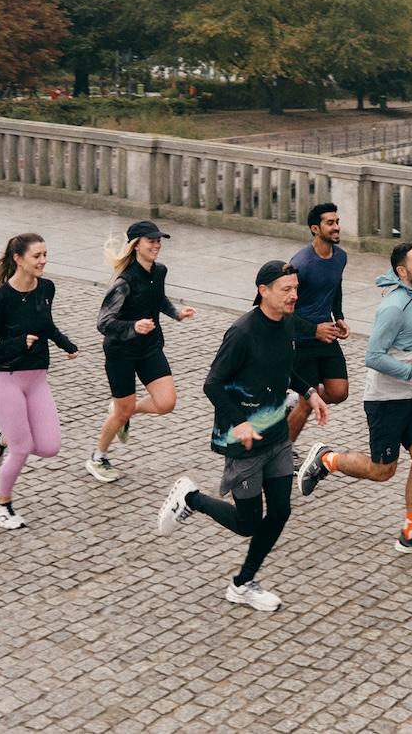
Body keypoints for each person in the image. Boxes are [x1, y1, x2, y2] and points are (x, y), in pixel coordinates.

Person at [156, 261, 328, 611]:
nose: (294, 295)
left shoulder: (287, 323)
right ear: (263, 291)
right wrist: (239, 422)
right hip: (243, 443)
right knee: (248, 523)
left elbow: (283, 368)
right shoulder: (242, 332)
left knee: (280, 511)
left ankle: (242, 582)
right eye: (286, 290)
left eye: (295, 289)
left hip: (277, 435)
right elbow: (212, 384)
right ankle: (192, 499)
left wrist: (309, 392)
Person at [295, 243, 412, 559]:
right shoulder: (393, 307)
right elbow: (373, 356)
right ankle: (326, 459)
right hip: (387, 401)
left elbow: (409, 339)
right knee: (382, 470)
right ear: (402, 272)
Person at [0, 233, 79, 529]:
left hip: (36, 379)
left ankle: (2, 436)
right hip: (4, 380)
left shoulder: (47, 288)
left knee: (49, 446)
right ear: (18, 259)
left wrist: (65, 344)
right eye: (37, 256)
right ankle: (1, 504)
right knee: (22, 448)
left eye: (45, 254)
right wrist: (19, 342)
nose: (43, 261)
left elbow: (45, 323)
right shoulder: (1, 298)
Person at [87, 220, 195, 483]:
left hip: (149, 348)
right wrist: (134, 326)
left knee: (166, 402)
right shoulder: (124, 282)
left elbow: (158, 299)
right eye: (151, 241)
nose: (156, 245)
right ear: (136, 245)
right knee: (121, 413)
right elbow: (103, 323)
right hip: (120, 353)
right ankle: (97, 457)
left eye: (159, 240)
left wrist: (177, 314)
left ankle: (123, 410)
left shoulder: (159, 272)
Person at [286, 203, 350, 444]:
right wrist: (314, 329)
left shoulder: (340, 257)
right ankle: (280, 456)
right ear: (315, 228)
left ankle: (294, 399)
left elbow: (335, 287)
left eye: (337, 222)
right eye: (330, 223)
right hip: (301, 340)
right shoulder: (300, 264)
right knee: (306, 402)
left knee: (339, 392)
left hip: (327, 335)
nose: (336, 227)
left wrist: (339, 316)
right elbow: (283, 310)